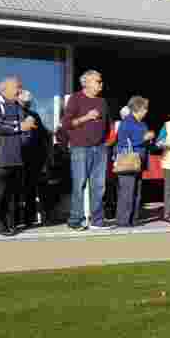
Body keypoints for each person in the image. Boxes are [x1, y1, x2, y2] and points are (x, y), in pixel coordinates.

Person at [0, 76, 36, 236]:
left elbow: (25, 129)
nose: (20, 90)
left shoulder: (17, 106)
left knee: (10, 195)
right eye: (17, 87)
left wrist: (26, 132)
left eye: (20, 87)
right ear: (3, 89)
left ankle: (9, 224)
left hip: (15, 158)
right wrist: (21, 126)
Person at [61, 70, 111, 231]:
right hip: (81, 148)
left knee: (99, 186)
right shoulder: (75, 99)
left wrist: (106, 142)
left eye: (101, 81)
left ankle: (97, 220)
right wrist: (87, 117)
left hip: (100, 149)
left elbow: (107, 125)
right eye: (98, 81)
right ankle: (76, 220)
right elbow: (66, 124)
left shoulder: (102, 102)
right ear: (87, 82)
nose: (101, 84)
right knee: (79, 184)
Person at [114, 96, 153, 228]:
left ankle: (133, 219)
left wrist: (151, 141)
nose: (147, 111)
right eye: (145, 108)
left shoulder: (142, 123)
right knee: (127, 192)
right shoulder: (127, 122)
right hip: (128, 162)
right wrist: (144, 138)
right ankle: (123, 220)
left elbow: (144, 142)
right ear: (139, 108)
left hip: (139, 163)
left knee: (136, 192)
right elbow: (123, 143)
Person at [16, 89, 51, 228]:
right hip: (17, 156)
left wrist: (46, 157)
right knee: (17, 189)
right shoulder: (12, 114)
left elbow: (43, 136)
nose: (26, 105)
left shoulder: (34, 115)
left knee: (30, 189)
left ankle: (29, 219)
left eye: (28, 102)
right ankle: (17, 219)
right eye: (24, 102)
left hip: (33, 158)